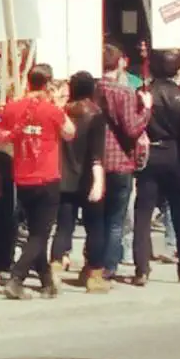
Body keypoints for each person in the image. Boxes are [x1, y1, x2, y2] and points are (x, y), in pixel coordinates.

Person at [0, 65, 75, 298]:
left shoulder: (12, 107)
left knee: (34, 232)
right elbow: (70, 132)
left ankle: (46, 281)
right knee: (41, 234)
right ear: (48, 83)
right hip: (46, 177)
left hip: (22, 176)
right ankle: (17, 277)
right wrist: (60, 107)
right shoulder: (51, 110)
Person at [133, 51, 180, 285]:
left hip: (149, 154)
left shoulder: (143, 94)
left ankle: (141, 268)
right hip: (174, 156)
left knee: (143, 213)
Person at [90, 48, 148, 287]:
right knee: (115, 219)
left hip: (95, 161)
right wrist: (146, 109)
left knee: (97, 218)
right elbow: (133, 129)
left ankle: (93, 262)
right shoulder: (124, 93)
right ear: (120, 64)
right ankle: (108, 266)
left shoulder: (93, 90)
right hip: (121, 160)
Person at [52, 71, 109, 286]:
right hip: (86, 177)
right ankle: (94, 274)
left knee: (63, 226)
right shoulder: (95, 114)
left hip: (63, 177)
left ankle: (55, 267)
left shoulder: (62, 112)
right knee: (94, 226)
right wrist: (99, 180)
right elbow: (96, 152)